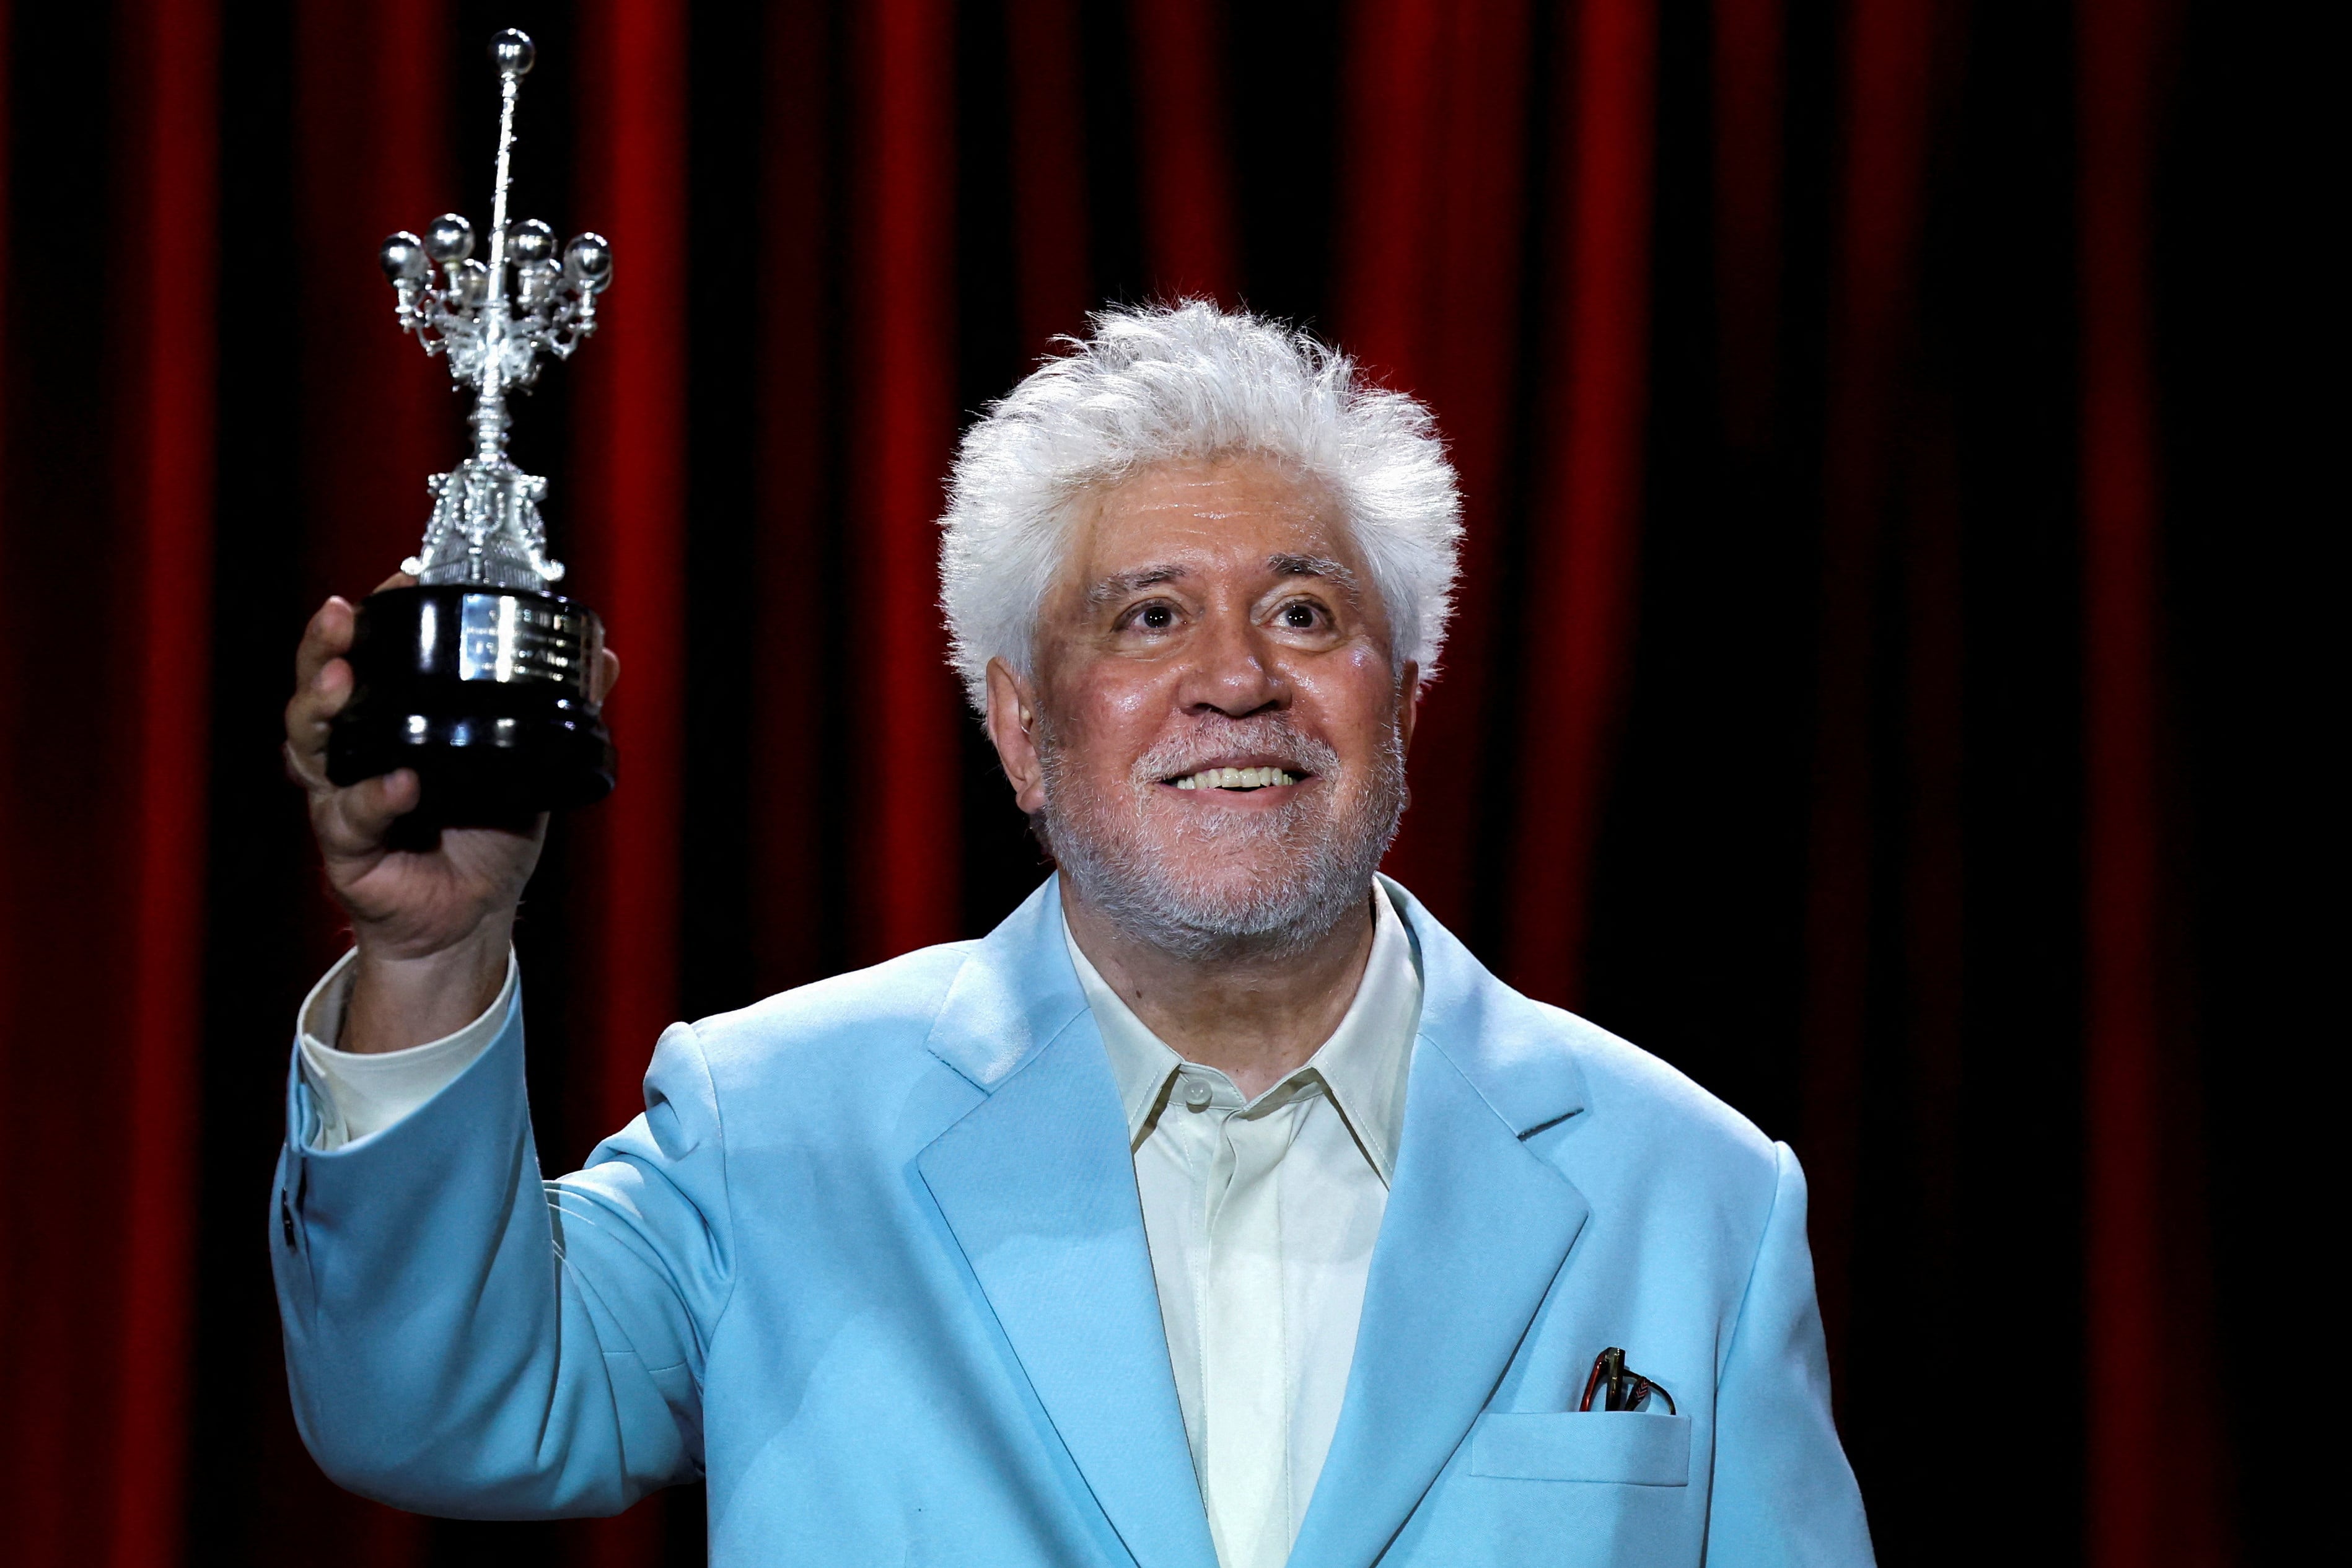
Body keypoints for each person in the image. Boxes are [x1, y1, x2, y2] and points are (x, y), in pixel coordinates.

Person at [274, 302, 1872, 1566]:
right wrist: (430, 962)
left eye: (1307, 613)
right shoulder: (772, 1131)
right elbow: (433, 1414)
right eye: (1150, 615)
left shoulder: (1697, 1196)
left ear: (1407, 702)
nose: (1237, 678)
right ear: (1024, 730)